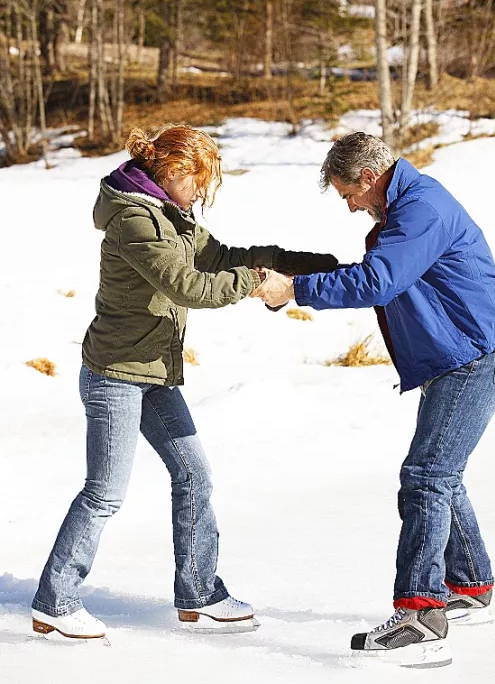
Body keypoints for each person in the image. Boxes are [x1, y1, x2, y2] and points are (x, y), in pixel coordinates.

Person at [31, 124, 338, 641]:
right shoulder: (134, 219)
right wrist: (259, 284)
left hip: (152, 374)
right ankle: (55, 601)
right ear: (172, 171)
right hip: (116, 377)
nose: (201, 191)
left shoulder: (172, 215)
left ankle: (198, 594)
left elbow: (221, 259)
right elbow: (187, 285)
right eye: (199, 180)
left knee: (195, 474)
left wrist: (312, 267)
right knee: (104, 492)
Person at [252, 132, 495, 669]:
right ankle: (468, 588)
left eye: (347, 193)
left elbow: (379, 281)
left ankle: (422, 615)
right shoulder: (409, 205)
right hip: (462, 353)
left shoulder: (421, 208)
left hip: (475, 353)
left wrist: (297, 291)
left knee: (426, 476)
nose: (349, 205)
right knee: (441, 473)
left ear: (370, 177)